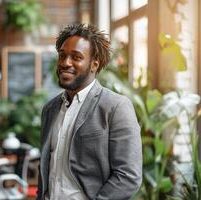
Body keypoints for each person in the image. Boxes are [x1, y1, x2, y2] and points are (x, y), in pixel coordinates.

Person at [37, 24, 142, 200]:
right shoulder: (50, 109)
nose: (65, 63)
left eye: (76, 57)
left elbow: (128, 176)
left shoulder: (116, 107)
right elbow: (46, 168)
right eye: (62, 56)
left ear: (94, 64)